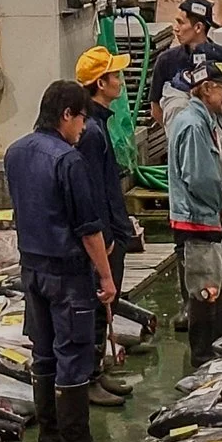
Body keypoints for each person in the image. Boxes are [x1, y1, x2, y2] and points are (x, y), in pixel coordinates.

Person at [6, 80, 114, 442]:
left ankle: (49, 434)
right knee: (73, 353)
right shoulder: (68, 160)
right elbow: (87, 227)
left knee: (43, 352)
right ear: (66, 114)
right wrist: (106, 276)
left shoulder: (15, 152)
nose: (83, 127)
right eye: (81, 118)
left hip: (30, 267)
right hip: (67, 274)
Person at [76, 46, 145, 403]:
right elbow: (90, 191)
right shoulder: (90, 132)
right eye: (115, 76)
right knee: (96, 305)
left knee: (107, 306)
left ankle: (98, 372)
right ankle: (88, 379)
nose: (120, 81)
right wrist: (104, 236)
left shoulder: (100, 123)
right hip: (103, 236)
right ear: (100, 83)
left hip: (113, 230)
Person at [161, 55, 222, 366]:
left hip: (203, 215)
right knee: (205, 287)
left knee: (219, 278)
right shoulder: (193, 124)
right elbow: (200, 176)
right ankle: (202, 356)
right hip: (197, 218)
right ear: (206, 89)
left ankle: (211, 347)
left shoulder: (203, 120)